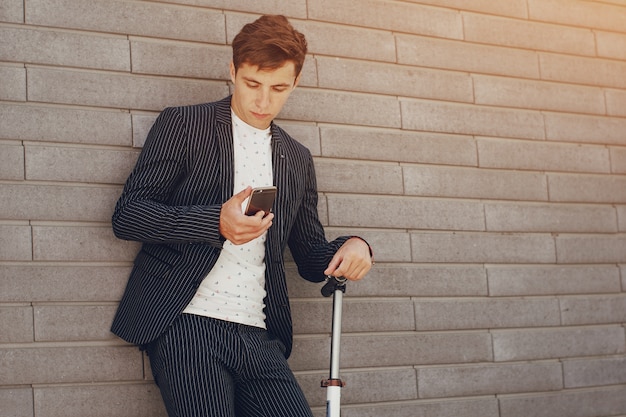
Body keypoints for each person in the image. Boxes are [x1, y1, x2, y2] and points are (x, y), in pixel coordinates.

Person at [110, 14, 373, 417]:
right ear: (233, 71)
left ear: (296, 82)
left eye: (279, 88)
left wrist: (353, 246)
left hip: (258, 332)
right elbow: (129, 215)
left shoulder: (297, 158)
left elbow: (309, 256)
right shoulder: (184, 124)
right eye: (252, 84)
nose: (263, 101)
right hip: (186, 321)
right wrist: (215, 221)